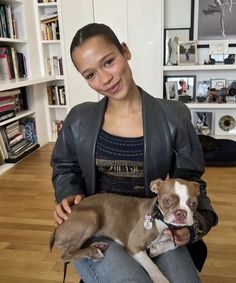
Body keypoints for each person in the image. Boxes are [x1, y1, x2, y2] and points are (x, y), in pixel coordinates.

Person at [51, 23, 218, 283]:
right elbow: (64, 166)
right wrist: (67, 194)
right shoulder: (79, 118)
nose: (105, 79)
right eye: (90, 75)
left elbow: (192, 181)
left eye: (108, 62)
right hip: (102, 223)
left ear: (125, 52)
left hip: (157, 221)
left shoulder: (174, 115)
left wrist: (197, 226)